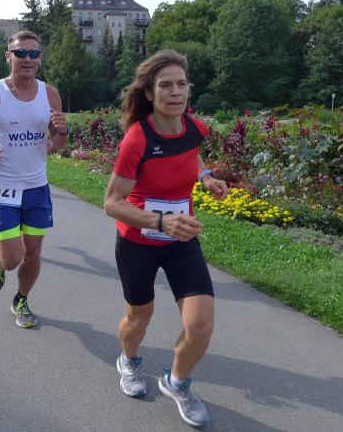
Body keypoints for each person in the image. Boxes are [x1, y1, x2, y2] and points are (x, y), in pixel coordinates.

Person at [103, 50, 228, 427]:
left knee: (201, 325)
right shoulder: (136, 140)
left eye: (181, 84)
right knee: (139, 318)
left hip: (180, 239)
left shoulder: (195, 128)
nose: (175, 92)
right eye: (166, 85)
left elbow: (192, 155)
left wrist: (206, 177)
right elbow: (112, 203)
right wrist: (160, 221)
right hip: (138, 242)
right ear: (149, 93)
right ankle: (129, 360)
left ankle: (177, 382)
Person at [0, 30, 68, 328]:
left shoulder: (50, 94)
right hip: (3, 186)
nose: (27, 58)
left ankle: (21, 299)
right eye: (20, 53)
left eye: (33, 53)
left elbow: (58, 141)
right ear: (8, 56)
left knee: (32, 253)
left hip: (36, 187)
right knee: (13, 257)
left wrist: (61, 133)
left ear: (40, 58)